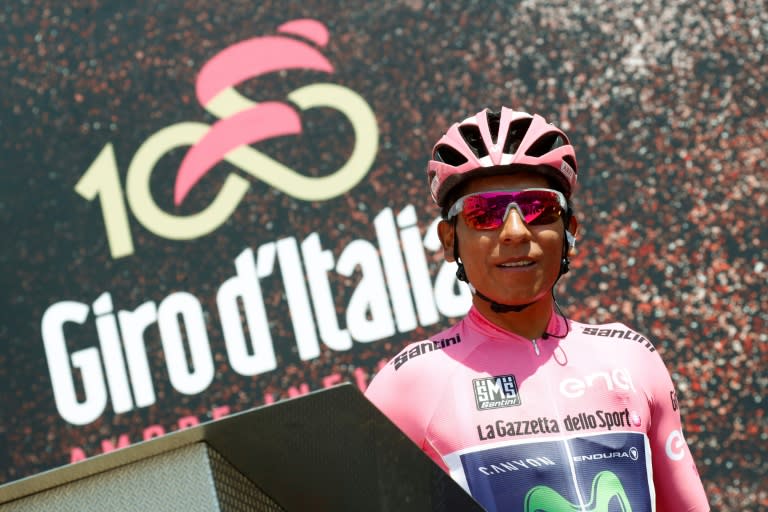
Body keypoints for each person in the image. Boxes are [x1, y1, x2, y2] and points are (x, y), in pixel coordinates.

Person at [365, 107, 709, 511]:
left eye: (537, 208)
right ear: (448, 240)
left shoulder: (633, 358)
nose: (514, 232)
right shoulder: (407, 383)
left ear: (570, 231)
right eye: (485, 213)